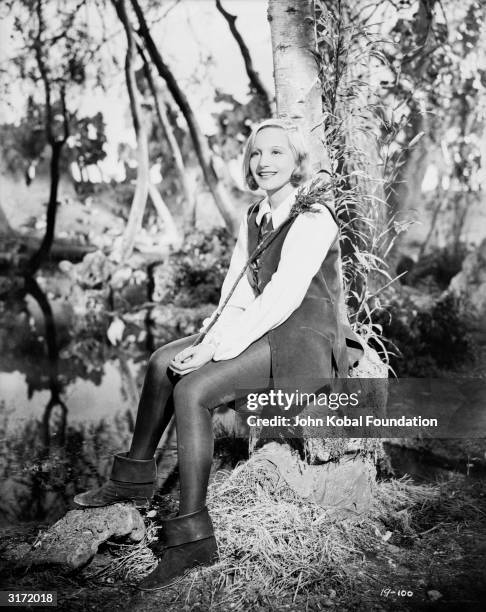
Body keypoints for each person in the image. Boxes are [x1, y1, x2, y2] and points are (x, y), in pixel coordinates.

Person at [73, 118, 362, 591]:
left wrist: (214, 352)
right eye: (256, 153)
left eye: (276, 153)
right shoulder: (256, 217)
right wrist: (207, 338)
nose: (264, 162)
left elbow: (280, 299)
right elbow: (238, 294)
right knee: (160, 362)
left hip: (301, 340)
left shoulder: (313, 218)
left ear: (296, 163)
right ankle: (133, 477)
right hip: (263, 326)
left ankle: (191, 537)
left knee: (194, 390)